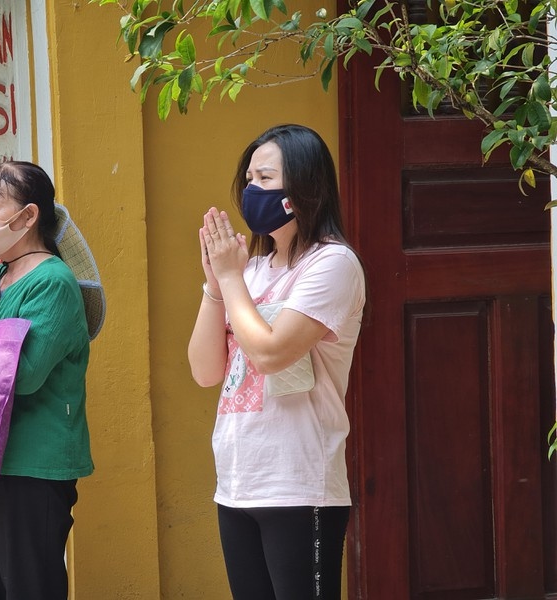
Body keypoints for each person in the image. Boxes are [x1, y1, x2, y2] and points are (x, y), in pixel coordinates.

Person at [188, 124, 366, 600]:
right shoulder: (250, 270)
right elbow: (206, 372)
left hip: (300, 484)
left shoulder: (332, 264)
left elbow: (269, 352)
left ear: (304, 187)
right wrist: (215, 285)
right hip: (237, 481)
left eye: (265, 178)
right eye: (248, 178)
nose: (251, 190)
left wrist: (229, 281)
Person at [0, 160, 97, 600]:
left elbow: (21, 377)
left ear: (27, 216)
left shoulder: (53, 282)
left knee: (29, 588)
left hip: (31, 465)